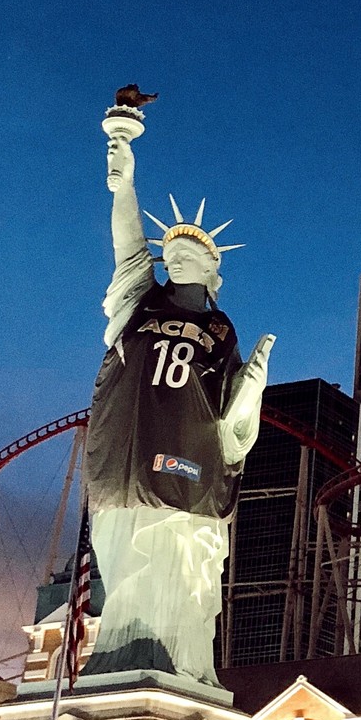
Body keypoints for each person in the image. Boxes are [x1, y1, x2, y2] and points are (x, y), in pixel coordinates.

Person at [81, 108, 273, 688]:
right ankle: (123, 651)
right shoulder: (140, 303)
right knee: (129, 554)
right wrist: (124, 173)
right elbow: (126, 241)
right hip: (133, 452)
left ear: (216, 268)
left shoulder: (221, 331)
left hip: (189, 464)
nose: (178, 252)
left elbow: (232, 425)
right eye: (172, 249)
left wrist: (253, 389)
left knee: (182, 558)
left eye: (194, 251)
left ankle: (177, 656)